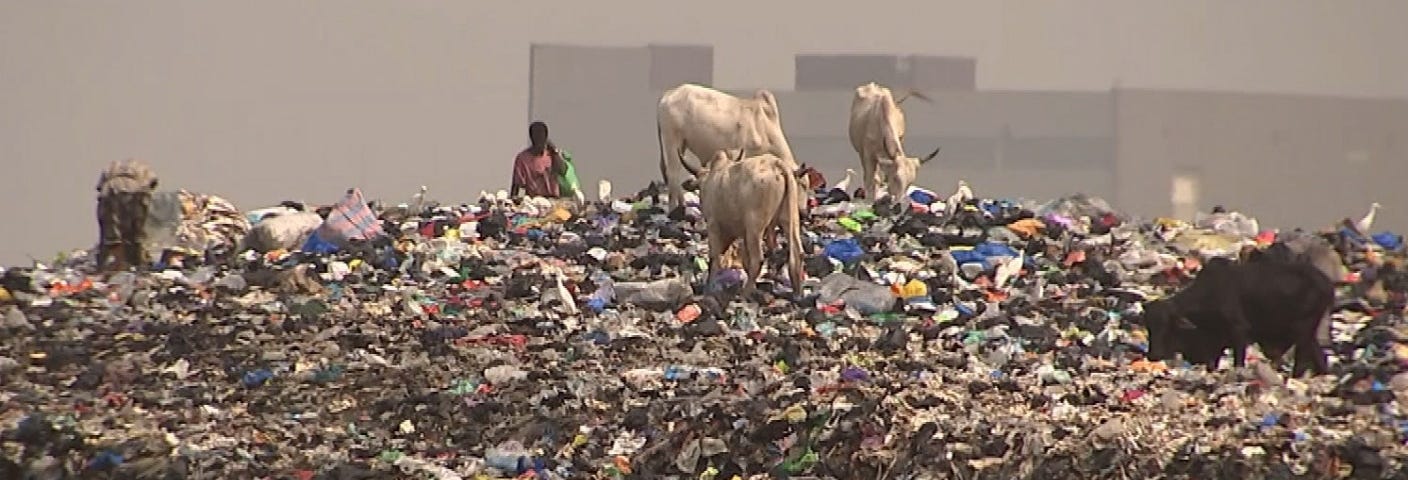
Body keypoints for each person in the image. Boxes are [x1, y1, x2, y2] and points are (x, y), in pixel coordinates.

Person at [95, 158, 160, 271]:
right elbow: (152, 183)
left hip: (109, 190)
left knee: (110, 229)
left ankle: (115, 261)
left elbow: (99, 187)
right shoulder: (144, 168)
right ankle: (133, 261)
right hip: (136, 189)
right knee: (137, 228)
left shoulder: (112, 166)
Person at [511, 121, 567, 198]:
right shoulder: (523, 159)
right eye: (536, 137)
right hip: (534, 200)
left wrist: (555, 151)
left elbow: (563, 171)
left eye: (541, 136)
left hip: (553, 199)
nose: (539, 140)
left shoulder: (552, 155)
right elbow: (517, 185)